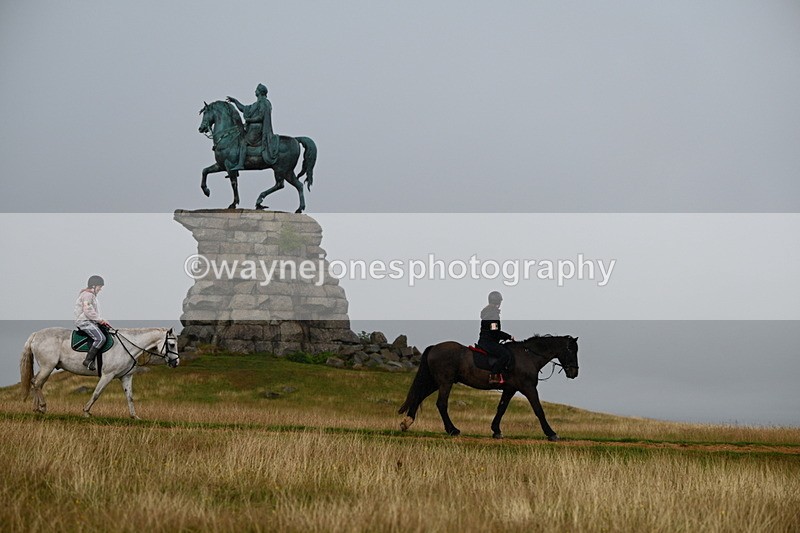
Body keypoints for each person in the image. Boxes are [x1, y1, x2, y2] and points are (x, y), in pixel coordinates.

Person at [227, 83, 280, 170]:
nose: (255, 91)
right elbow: (244, 108)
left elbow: (261, 117)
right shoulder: (257, 103)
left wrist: (249, 120)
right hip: (252, 129)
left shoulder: (264, 103)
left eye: (256, 90)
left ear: (260, 92)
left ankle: (240, 164)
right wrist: (235, 101)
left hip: (257, 130)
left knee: (243, 142)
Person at [477, 291, 514, 385]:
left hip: (485, 341)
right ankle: (493, 376)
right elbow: (494, 332)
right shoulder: (493, 314)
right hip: (488, 343)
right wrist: (509, 336)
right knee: (505, 354)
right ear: (498, 301)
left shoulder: (487, 312)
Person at [74, 275, 110, 371]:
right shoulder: (88, 295)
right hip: (84, 322)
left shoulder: (91, 295)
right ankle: (88, 360)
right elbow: (88, 310)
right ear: (93, 286)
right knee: (101, 338)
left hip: (90, 320)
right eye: (100, 287)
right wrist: (100, 320)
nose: (100, 289)